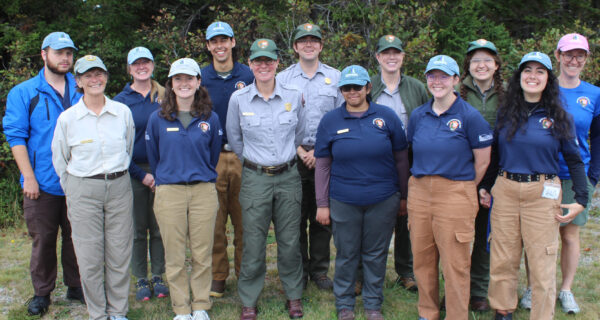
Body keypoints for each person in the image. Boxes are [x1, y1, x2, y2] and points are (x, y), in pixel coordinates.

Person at [479, 52, 588, 320]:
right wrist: (485, 185)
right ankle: (503, 311)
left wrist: (581, 199)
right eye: (527, 70)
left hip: (542, 193)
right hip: (505, 189)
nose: (533, 76)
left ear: (548, 78)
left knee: (542, 262)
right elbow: (496, 154)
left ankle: (541, 315)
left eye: (540, 71)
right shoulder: (506, 112)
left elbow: (574, 161)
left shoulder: (559, 116)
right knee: (503, 256)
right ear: (519, 76)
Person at [314, 65, 410, 320]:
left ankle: (372, 304)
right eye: (347, 87)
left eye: (358, 87)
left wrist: (403, 196)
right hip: (344, 198)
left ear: (368, 88)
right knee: (346, 253)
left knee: (375, 253)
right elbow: (322, 165)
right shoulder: (330, 120)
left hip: (383, 198)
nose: (352, 91)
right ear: (341, 90)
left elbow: (401, 160)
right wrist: (322, 203)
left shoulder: (387, 117)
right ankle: (344, 304)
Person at [2, 31, 83, 316]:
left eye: (69, 53)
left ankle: (76, 285)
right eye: (59, 52)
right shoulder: (24, 92)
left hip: (79, 180)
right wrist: (29, 177)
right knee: (44, 239)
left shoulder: (82, 87)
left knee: (77, 237)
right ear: (44, 54)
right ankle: (42, 293)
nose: (65, 58)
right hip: (43, 182)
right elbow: (16, 137)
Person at [407, 55, 492, 320]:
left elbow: (484, 160)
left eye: (444, 76)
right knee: (422, 259)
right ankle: (428, 312)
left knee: (455, 262)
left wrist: (462, 189)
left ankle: (456, 315)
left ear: (456, 80)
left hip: (456, 191)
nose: (437, 81)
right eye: (432, 76)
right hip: (420, 191)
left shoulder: (470, 116)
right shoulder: (419, 114)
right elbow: (411, 152)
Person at [519, 34, 599, 315]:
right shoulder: (545, 89)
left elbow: (598, 139)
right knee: (538, 236)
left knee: (569, 236)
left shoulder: (594, 94)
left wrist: (592, 178)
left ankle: (565, 289)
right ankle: (533, 286)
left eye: (580, 55)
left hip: (577, 175)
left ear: (586, 59)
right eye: (568, 54)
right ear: (558, 55)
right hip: (544, 173)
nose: (573, 60)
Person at [226, 38, 305, 320]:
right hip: (255, 178)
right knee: (253, 243)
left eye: (268, 60)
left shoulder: (294, 96)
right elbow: (235, 140)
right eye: (258, 61)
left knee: (289, 242)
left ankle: (294, 296)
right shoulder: (239, 99)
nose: (263, 65)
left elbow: (299, 133)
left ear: (276, 63)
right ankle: (249, 299)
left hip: (288, 177)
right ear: (250, 64)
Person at [51, 55, 135, 320]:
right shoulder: (68, 119)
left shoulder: (122, 112)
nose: (94, 79)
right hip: (83, 189)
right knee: (88, 256)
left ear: (107, 77)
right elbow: (60, 159)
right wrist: (75, 190)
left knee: (120, 252)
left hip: (119, 186)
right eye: (87, 75)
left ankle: (118, 311)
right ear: (78, 81)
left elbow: (128, 148)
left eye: (99, 74)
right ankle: (98, 313)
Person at [145, 58, 222, 320]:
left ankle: (200, 305)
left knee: (202, 252)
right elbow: (155, 158)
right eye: (178, 79)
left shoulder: (210, 118)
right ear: (171, 84)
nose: (184, 84)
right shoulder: (157, 119)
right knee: (175, 254)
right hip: (169, 192)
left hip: (203, 191)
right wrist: (169, 177)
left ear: (199, 82)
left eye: (189, 78)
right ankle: (181, 308)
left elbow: (212, 157)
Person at [276, 22, 343, 291]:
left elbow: (341, 117)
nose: (308, 44)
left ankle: (319, 271)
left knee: (322, 217)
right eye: (303, 40)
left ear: (321, 45)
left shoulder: (336, 77)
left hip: (326, 157)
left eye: (314, 40)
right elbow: (278, 120)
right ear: (295, 46)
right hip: (294, 155)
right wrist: (301, 151)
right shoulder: (283, 79)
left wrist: (320, 151)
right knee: (295, 217)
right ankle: (300, 271)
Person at [370, 34, 429, 293]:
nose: (391, 57)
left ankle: (406, 270)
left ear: (403, 57)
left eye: (396, 53)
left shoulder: (417, 87)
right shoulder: (368, 86)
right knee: (374, 217)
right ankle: (369, 271)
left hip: (409, 157)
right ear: (378, 57)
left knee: (408, 214)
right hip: (375, 160)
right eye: (386, 53)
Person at [200, 21, 254, 298]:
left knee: (245, 220)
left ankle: (246, 274)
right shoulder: (199, 77)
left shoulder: (249, 73)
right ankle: (218, 275)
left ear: (233, 42)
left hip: (245, 155)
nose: (220, 45)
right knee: (215, 220)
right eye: (214, 41)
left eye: (225, 40)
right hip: (213, 157)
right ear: (208, 46)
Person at [113, 46, 168, 302]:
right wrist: (141, 175)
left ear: (153, 65)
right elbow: (116, 145)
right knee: (137, 229)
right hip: (133, 171)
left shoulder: (166, 96)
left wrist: (161, 172)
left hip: (163, 170)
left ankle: (158, 274)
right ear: (129, 68)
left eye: (146, 62)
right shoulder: (120, 101)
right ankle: (141, 278)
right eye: (136, 63)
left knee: (159, 227)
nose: (141, 67)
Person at [456, 38, 505, 311]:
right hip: (462, 173)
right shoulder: (456, 91)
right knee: (459, 237)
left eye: (487, 60)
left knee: (486, 236)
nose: (482, 65)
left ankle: (478, 290)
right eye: (476, 60)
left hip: (495, 175)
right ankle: (456, 287)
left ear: (496, 65)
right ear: (468, 65)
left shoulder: (510, 95)